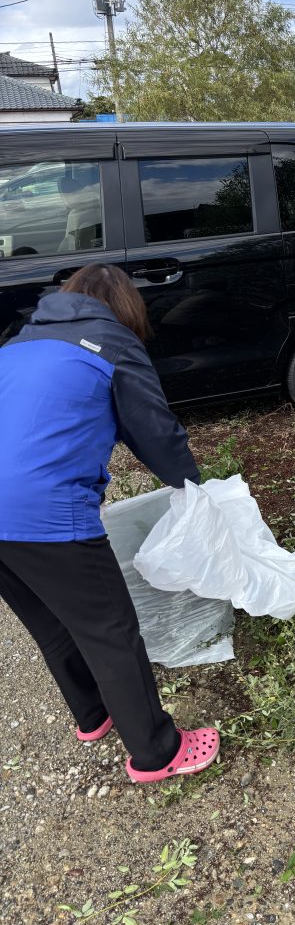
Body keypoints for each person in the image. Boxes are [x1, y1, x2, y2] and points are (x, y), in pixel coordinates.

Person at [0, 264, 220, 784]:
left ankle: (93, 714)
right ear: (123, 307)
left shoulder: (16, 344)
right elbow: (156, 433)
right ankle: (156, 751)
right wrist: (195, 490)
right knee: (111, 632)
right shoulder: (112, 344)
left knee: (50, 621)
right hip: (46, 513)